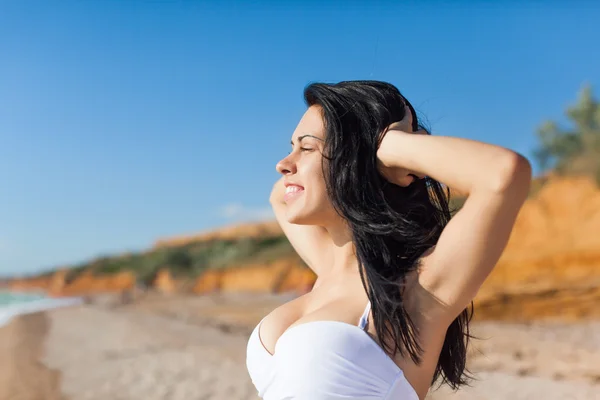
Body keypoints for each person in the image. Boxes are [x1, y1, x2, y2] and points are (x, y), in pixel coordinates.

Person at [246, 81, 532, 400]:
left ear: (362, 159)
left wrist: (391, 147)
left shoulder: (419, 291)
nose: (284, 163)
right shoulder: (329, 268)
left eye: (307, 147)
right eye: (291, 146)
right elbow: (279, 196)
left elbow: (502, 174)